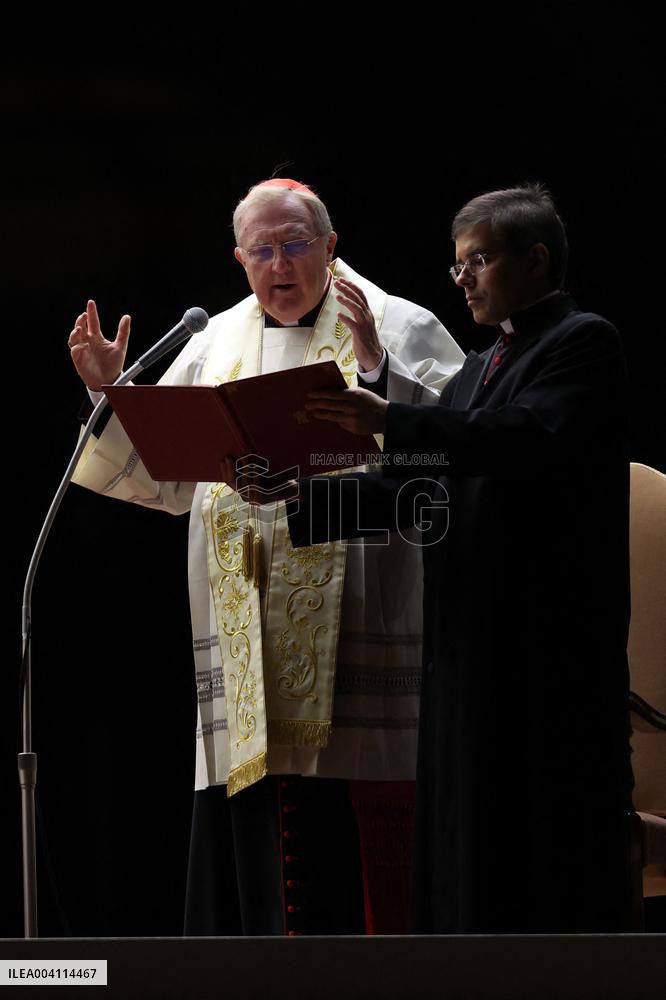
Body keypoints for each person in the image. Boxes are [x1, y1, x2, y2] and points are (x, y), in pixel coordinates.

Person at [68, 178, 464, 935]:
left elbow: (458, 454)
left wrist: (379, 373)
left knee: (352, 866)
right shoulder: (213, 340)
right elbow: (165, 480)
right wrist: (111, 393)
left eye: (296, 245)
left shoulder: (399, 324)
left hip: (362, 627)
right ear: (239, 258)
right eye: (262, 250)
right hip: (244, 630)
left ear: (331, 246)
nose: (280, 264)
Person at [293, 183, 635, 933]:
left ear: (535, 259)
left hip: (543, 641)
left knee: (539, 837)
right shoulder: (478, 367)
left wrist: (393, 417)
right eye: (458, 266)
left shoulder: (582, 341)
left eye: (478, 261)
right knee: (465, 833)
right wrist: (292, 498)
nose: (464, 279)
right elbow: (417, 483)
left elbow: (526, 438)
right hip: (466, 638)